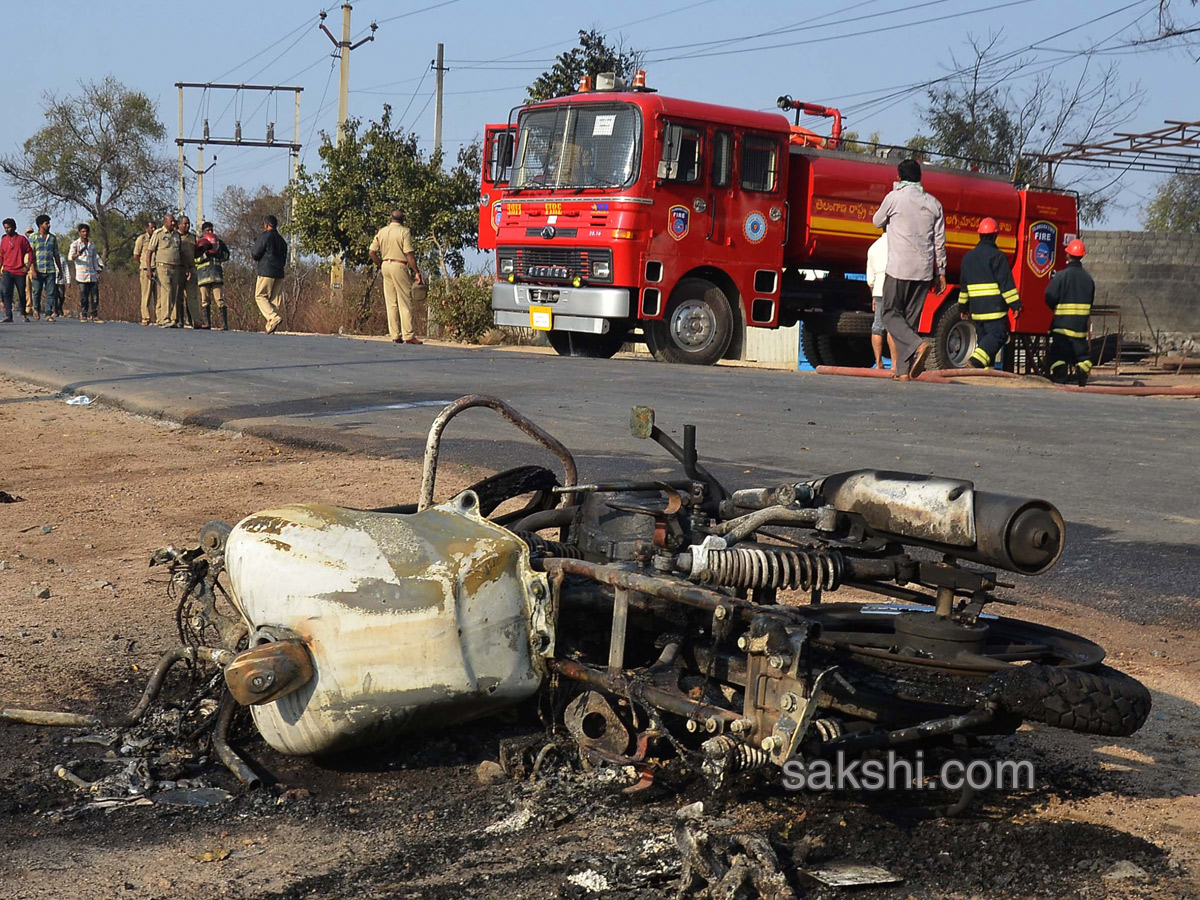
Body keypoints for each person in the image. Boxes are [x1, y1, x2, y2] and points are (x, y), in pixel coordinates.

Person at [871, 159, 947, 381]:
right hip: (923, 271)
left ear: (899, 178)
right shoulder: (934, 203)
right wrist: (940, 271)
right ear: (920, 177)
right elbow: (940, 242)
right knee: (910, 321)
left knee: (889, 315)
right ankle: (903, 373)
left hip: (898, 269)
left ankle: (917, 345)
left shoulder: (893, 198)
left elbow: (877, 221)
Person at [957, 217, 1021, 369]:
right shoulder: (997, 256)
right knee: (998, 336)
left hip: (977, 310)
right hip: (994, 310)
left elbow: (964, 288)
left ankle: (986, 373)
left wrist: (963, 308)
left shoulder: (968, 258)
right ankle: (975, 362)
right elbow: (1006, 284)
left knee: (985, 340)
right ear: (995, 235)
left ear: (980, 235)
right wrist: (1015, 305)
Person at [368, 209, 423, 344]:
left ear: (391, 218)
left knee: (391, 302)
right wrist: (416, 271)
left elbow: (371, 252)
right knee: (404, 300)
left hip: (385, 265)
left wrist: (381, 264)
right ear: (402, 219)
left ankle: (395, 334)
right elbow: (409, 254)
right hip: (399, 265)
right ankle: (408, 335)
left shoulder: (382, 231)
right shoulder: (404, 232)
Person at [1045, 239, 1095, 386]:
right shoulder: (1088, 279)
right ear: (1082, 256)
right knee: (1082, 357)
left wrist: (1055, 309)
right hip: (1079, 330)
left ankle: (1060, 379)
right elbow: (1090, 302)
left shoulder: (1061, 276)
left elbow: (1049, 295)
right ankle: (1082, 373)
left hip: (1062, 328)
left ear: (1068, 255)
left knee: (1059, 356)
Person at [864, 229, 898, 369]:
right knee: (893, 327)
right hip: (894, 287)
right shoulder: (897, 244)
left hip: (878, 289)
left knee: (877, 326)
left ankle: (878, 363)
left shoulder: (873, 247)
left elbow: (870, 278)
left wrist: (873, 295)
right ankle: (895, 365)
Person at [250, 215, 287, 333]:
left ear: (266, 225)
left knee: (260, 296)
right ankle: (270, 326)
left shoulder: (264, 236)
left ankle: (273, 318)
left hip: (266, 271)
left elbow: (255, 253)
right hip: (279, 272)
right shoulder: (282, 241)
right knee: (274, 300)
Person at [195, 221, 230, 331]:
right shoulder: (199, 244)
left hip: (216, 275)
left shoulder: (219, 243)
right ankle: (207, 323)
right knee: (205, 300)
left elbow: (226, 256)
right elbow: (194, 259)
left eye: (211, 230)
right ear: (203, 232)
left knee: (219, 299)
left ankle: (224, 324)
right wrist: (205, 254)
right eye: (207, 230)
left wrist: (218, 253)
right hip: (203, 276)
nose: (210, 232)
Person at [149, 213, 183, 327]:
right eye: (171, 221)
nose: (173, 223)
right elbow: (150, 251)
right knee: (166, 292)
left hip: (175, 267)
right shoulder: (158, 233)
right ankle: (164, 318)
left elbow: (180, 252)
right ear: (165, 222)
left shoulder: (177, 235)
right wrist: (149, 269)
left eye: (174, 221)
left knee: (173, 293)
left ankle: (172, 318)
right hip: (163, 267)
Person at [29, 215, 63, 323]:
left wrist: (60, 269)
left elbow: (56, 254)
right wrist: (32, 269)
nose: (49, 225)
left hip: (50, 269)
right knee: (37, 291)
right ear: (40, 225)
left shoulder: (52, 238)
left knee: (51, 292)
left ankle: (48, 313)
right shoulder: (33, 237)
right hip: (38, 269)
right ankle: (36, 310)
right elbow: (31, 255)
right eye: (46, 223)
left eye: (49, 223)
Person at [68, 224, 104, 321]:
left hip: (92, 274)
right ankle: (84, 314)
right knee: (84, 296)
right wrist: (77, 254)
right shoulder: (75, 244)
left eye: (86, 231)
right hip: (81, 274)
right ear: (79, 233)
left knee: (95, 296)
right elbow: (70, 257)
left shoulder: (91, 244)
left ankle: (95, 315)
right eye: (83, 232)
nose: (85, 233)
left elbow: (95, 258)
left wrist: (98, 269)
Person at [0, 218, 32, 323]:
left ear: (14, 227)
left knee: (21, 293)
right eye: (5, 228)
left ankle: (23, 314)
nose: (7, 230)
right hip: (7, 270)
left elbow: (30, 252)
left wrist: (27, 266)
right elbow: (1, 256)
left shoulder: (22, 239)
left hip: (19, 271)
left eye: (8, 227)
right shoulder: (4, 240)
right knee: (6, 292)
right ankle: (8, 315)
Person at [133, 219, 157, 326]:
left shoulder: (158, 238)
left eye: (155, 227)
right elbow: (136, 255)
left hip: (157, 270)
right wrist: (145, 265)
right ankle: (145, 317)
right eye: (151, 227)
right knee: (146, 294)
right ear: (146, 228)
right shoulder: (141, 239)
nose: (154, 229)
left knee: (159, 296)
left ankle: (159, 318)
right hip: (146, 270)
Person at [178, 216, 199, 328]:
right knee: (178, 295)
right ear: (179, 224)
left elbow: (195, 254)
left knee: (192, 296)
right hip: (179, 268)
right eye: (185, 223)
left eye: (188, 223)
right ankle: (179, 320)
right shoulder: (176, 236)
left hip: (191, 268)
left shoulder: (192, 237)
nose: (187, 226)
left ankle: (196, 320)